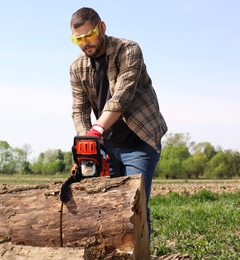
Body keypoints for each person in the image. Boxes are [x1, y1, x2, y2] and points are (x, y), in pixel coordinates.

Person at [69, 7, 167, 236]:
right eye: (78, 39)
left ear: (102, 27)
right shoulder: (77, 67)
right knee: (108, 206)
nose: (85, 43)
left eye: (89, 35)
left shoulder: (128, 50)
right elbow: (79, 111)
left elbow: (121, 97)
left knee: (135, 205)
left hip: (140, 140)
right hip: (108, 145)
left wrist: (96, 130)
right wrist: (88, 145)